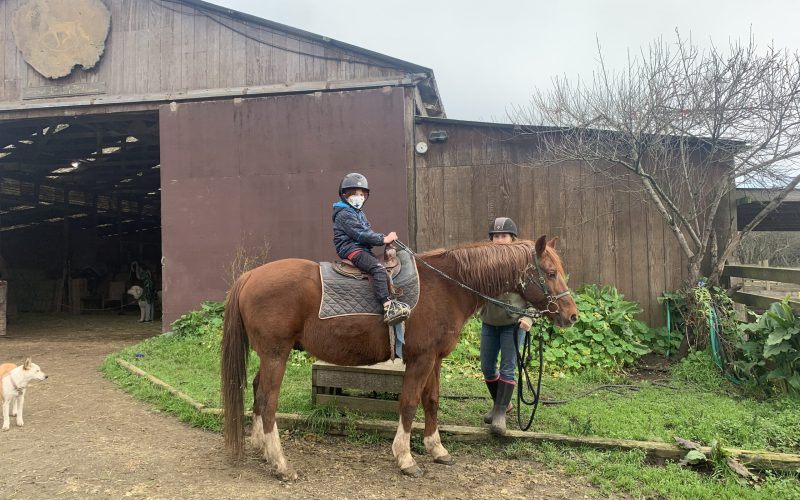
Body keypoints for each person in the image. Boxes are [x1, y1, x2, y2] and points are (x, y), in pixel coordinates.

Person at [332, 173, 410, 325]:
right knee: (378, 268)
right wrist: (383, 239)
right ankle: (388, 306)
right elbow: (360, 234)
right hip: (352, 249)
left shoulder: (358, 213)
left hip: (361, 248)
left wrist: (382, 237)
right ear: (344, 195)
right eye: (354, 193)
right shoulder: (344, 213)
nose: (358, 197)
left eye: (362, 194)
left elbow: (367, 232)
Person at [480, 217, 534, 435]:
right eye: (495, 236)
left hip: (513, 324)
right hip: (489, 322)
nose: (499, 240)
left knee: (508, 367)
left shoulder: (524, 265)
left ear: (513, 239)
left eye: (503, 236)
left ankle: (500, 413)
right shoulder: (484, 264)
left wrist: (529, 318)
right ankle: (501, 403)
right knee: (486, 366)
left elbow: (537, 296)